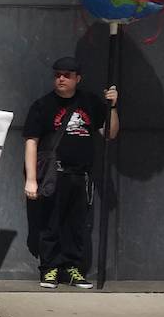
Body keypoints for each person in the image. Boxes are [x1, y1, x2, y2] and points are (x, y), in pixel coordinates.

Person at [23, 56, 119, 290]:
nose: (61, 79)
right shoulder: (42, 105)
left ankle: (73, 268)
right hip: (53, 176)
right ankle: (49, 269)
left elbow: (110, 133)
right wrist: (31, 179)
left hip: (81, 175)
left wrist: (113, 108)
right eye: (57, 75)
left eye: (67, 75)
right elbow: (31, 142)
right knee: (50, 223)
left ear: (78, 78)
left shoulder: (90, 102)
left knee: (77, 225)